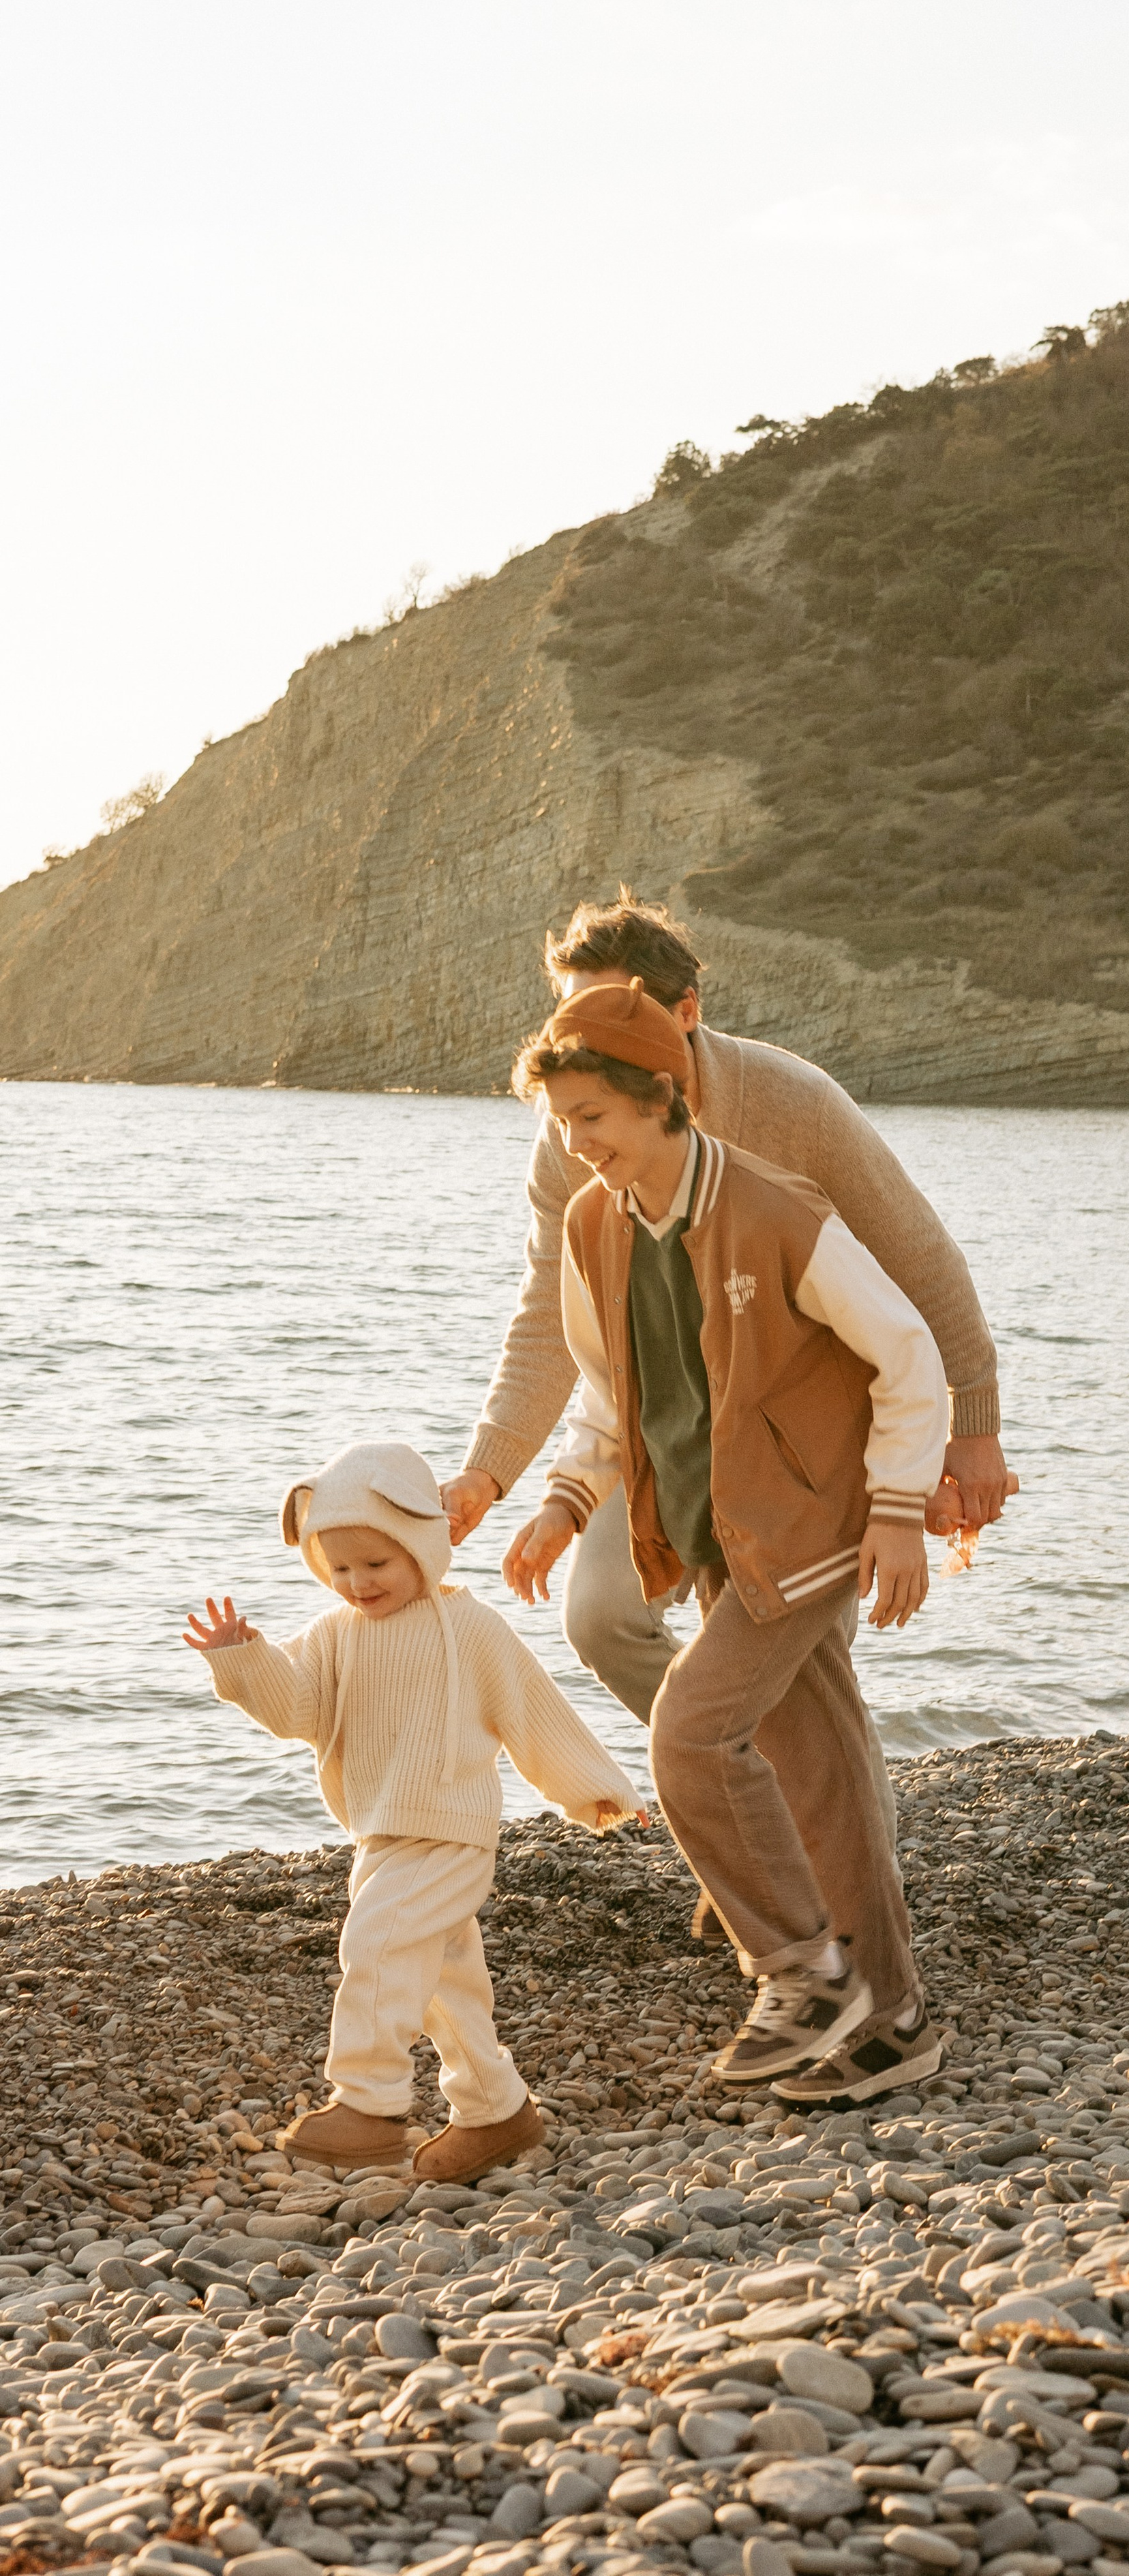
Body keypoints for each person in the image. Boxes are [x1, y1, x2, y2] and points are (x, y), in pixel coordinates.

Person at [502, 977, 950, 2101]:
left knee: (691, 1739)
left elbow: (908, 1353)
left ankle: (805, 1975)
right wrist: (561, 1505)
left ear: (663, 1096)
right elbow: (610, 1396)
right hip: (709, 1536)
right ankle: (895, 2020)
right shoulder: (593, 1224)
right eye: (560, 1122)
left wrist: (899, 1511)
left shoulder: (777, 1211)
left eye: (591, 1117)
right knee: (823, 1766)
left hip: (801, 1528)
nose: (575, 1141)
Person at [441, 894, 1012, 1743]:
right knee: (600, 1617)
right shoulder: (572, 1139)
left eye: (613, 1012)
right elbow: (551, 1318)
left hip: (802, 1441)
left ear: (684, 1015)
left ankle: (776, 1799)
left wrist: (973, 1425)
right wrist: (488, 1473)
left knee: (806, 1670)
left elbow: (919, 1259)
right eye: (572, 1017)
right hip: (661, 1430)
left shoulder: (793, 1103)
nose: (586, 1039)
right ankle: (733, 1764)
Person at [183, 1441, 642, 2178]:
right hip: (380, 1834)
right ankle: (497, 2112)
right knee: (441, 1984)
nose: (358, 1584)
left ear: (422, 1547)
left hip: (451, 1831)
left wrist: (592, 1786)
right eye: (339, 1569)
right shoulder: (334, 1636)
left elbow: (531, 1709)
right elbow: (297, 1708)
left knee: (377, 1946)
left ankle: (368, 2103)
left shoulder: (469, 1628)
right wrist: (245, 1660)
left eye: (377, 1565)